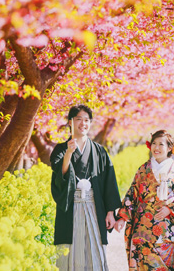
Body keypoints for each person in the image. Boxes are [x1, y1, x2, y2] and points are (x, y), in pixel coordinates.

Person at [50, 104, 121, 270]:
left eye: (87, 120)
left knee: (94, 249)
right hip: (71, 207)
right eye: (79, 119)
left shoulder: (99, 151)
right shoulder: (61, 149)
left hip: (94, 207)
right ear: (70, 122)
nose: (83, 123)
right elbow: (59, 173)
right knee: (71, 250)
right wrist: (68, 153)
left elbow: (108, 181)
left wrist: (110, 212)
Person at [114, 130, 174, 270]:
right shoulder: (144, 169)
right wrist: (122, 217)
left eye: (161, 144)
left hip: (167, 229)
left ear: (170, 148)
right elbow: (132, 194)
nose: (156, 148)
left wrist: (169, 209)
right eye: (154, 143)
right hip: (143, 228)